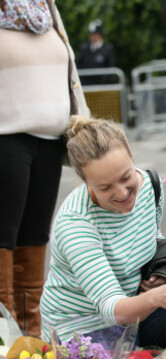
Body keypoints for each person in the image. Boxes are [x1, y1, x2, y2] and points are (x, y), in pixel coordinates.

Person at [40, 116, 166, 347]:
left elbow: (150, 237)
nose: (123, 193)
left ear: (132, 158)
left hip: (134, 312)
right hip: (81, 327)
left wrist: (160, 274)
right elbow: (111, 308)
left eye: (126, 177)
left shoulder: (150, 187)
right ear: (85, 182)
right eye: (105, 187)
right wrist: (155, 297)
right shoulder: (75, 224)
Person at [0, 0, 89, 338]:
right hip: (5, 136)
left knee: (35, 239)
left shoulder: (44, 6)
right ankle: (3, 348)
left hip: (50, 140)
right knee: (3, 239)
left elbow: (70, 74)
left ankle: (29, 345)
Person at [76, 19, 115, 85]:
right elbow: (79, 65)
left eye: (94, 34)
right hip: (86, 86)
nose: (92, 37)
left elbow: (111, 67)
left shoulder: (107, 50)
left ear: (100, 35)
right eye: (91, 34)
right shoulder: (84, 49)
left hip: (102, 87)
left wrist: (104, 81)